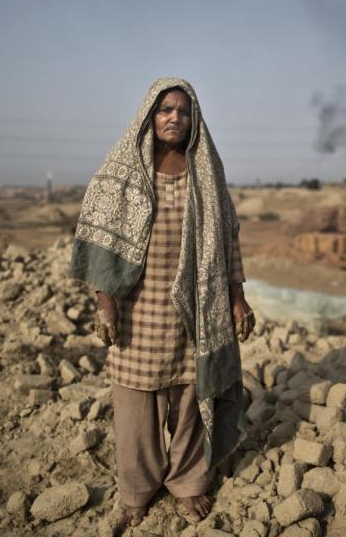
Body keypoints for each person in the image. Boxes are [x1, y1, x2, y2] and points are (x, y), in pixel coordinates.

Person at [69, 77, 254, 532]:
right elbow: (100, 243)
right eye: (165, 109)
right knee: (135, 409)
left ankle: (189, 483)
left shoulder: (206, 173)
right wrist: (105, 302)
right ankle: (136, 491)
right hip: (138, 309)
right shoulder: (124, 171)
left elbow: (228, 236)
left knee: (192, 398)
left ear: (195, 120)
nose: (175, 117)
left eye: (184, 111)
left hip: (198, 308)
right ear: (149, 116)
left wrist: (236, 296)